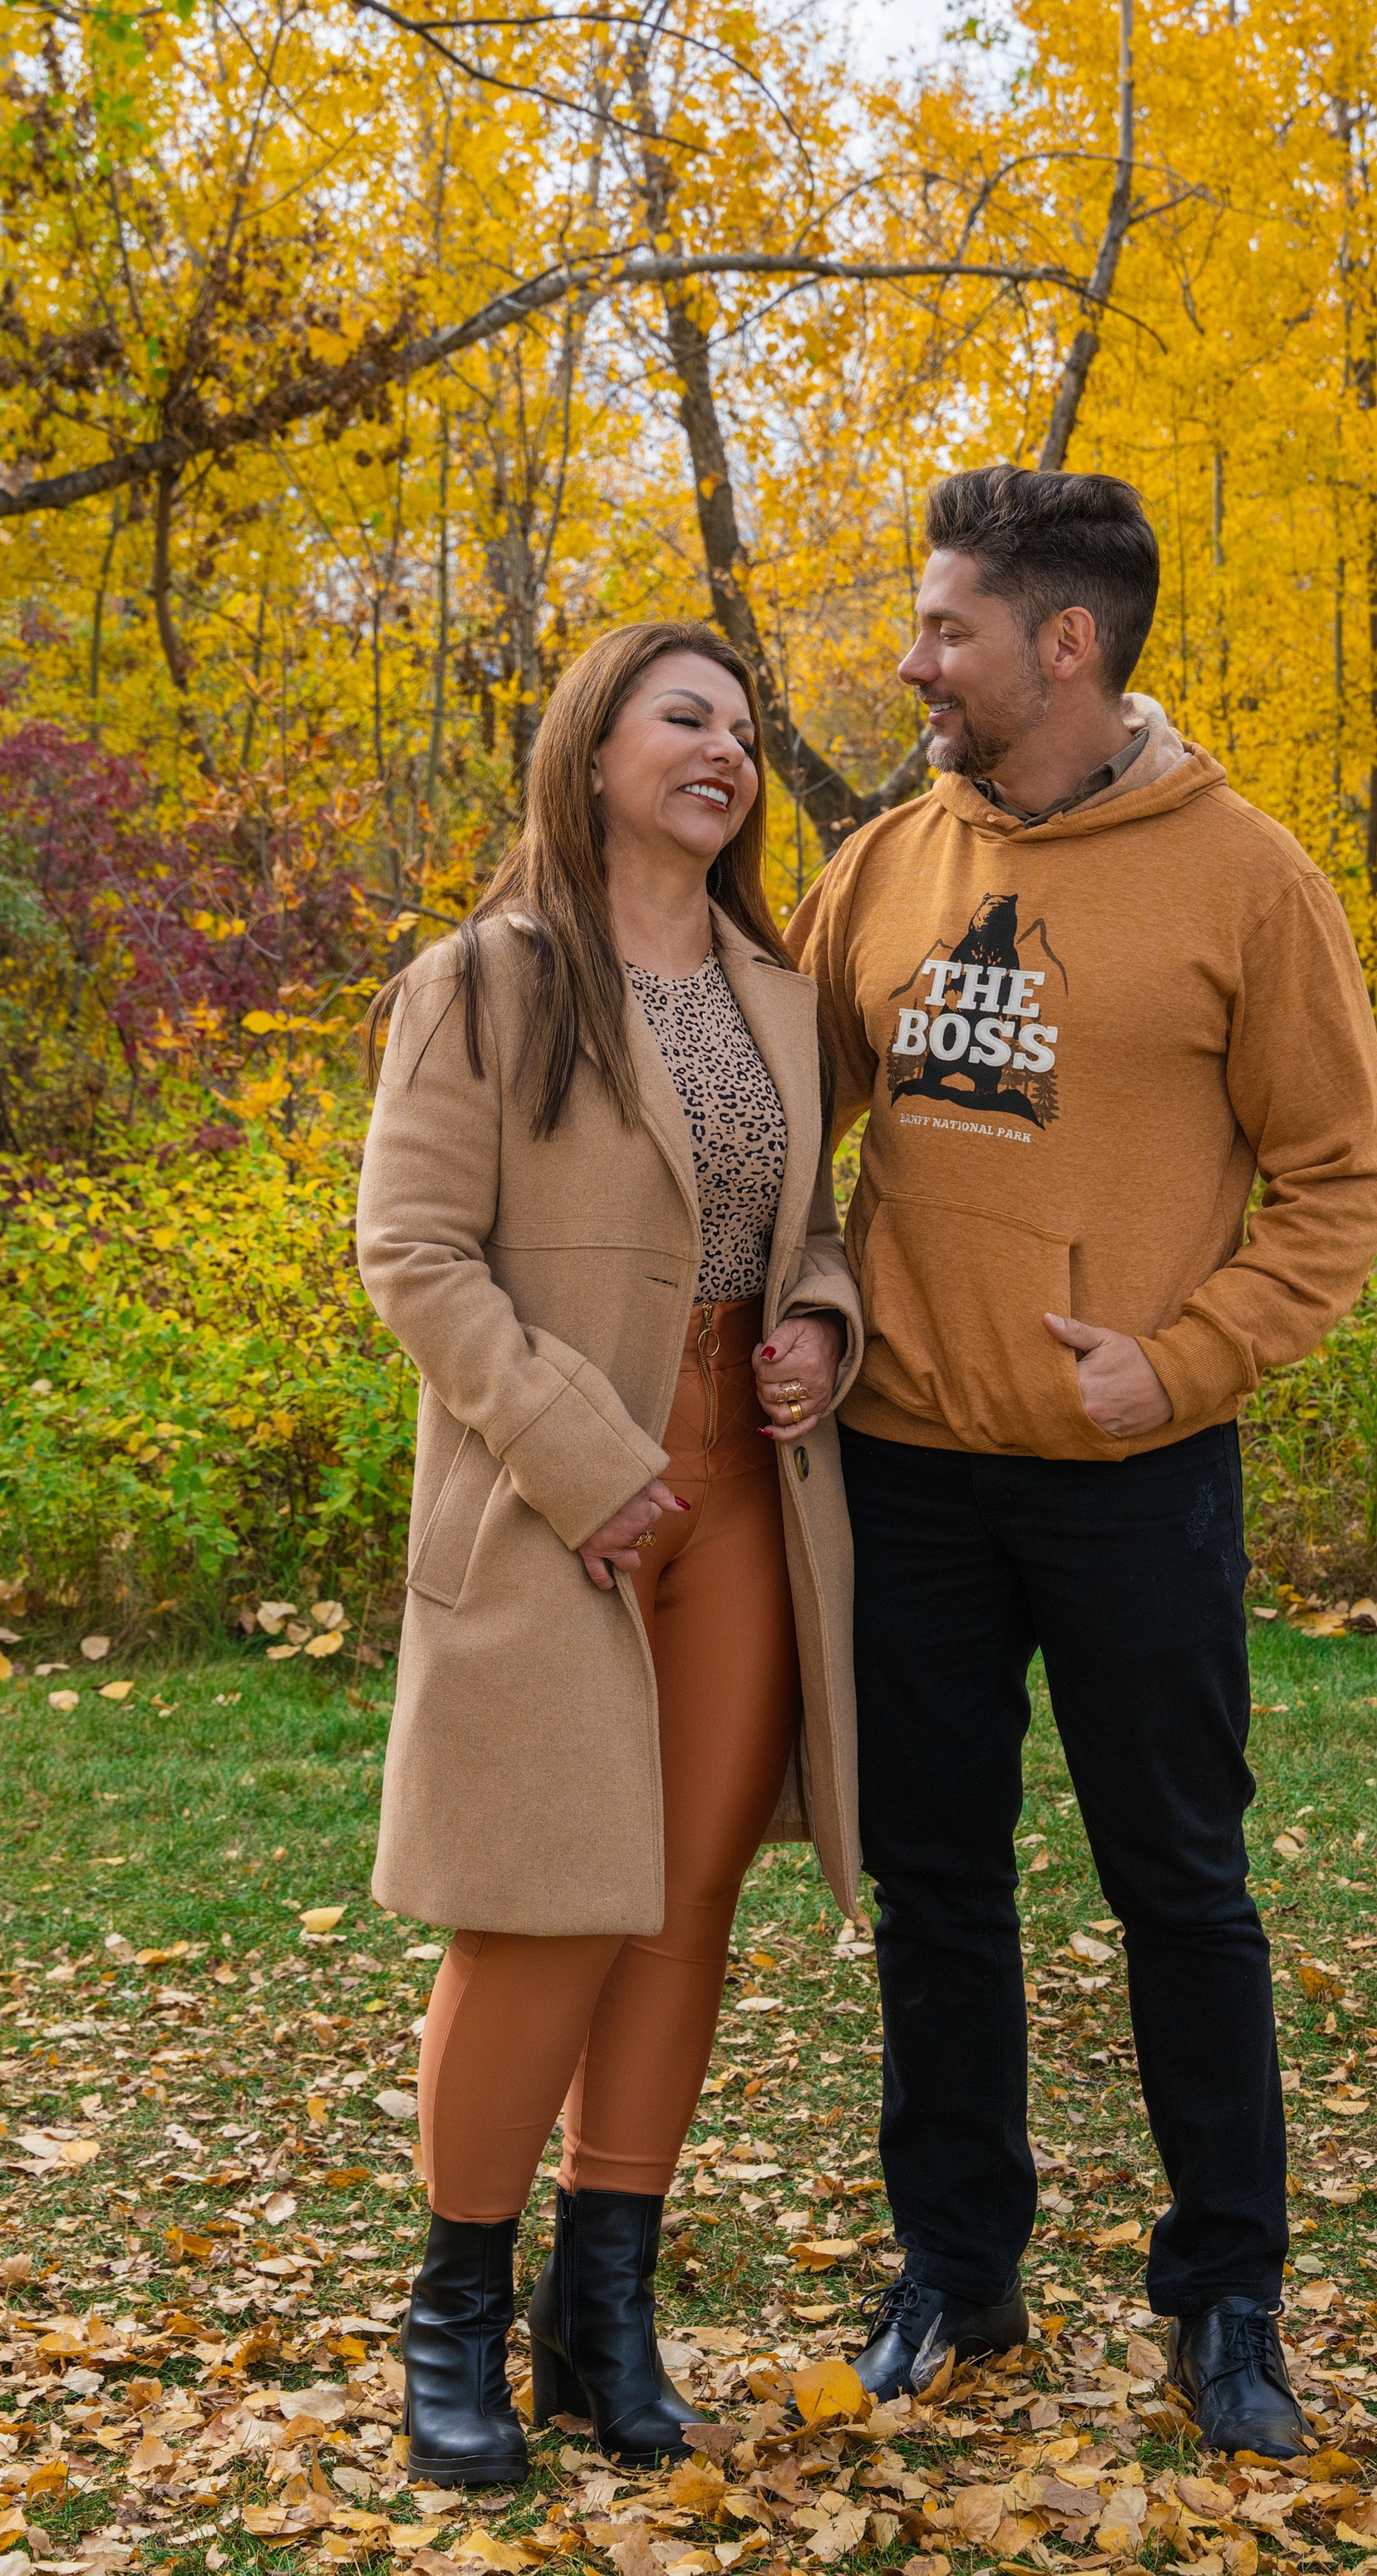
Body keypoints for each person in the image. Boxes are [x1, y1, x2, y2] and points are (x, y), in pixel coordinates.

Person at [789, 465, 1377, 2456]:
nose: (910, 660)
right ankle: (955, 2276)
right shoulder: (879, 865)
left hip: (1134, 1475)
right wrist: (806, 1311)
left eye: (944, 625)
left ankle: (1224, 2297)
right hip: (904, 1474)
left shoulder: (1247, 881)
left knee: (1180, 1888)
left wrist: (1184, 1363)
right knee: (938, 1888)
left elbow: (1334, 1186)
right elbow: (786, 1140)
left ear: (1065, 643)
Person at [357, 620, 865, 2487]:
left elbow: (812, 1228)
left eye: (740, 727)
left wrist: (816, 1318)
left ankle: (604, 2317)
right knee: (544, 1906)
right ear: (591, 751)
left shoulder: (783, 996)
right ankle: (451, 2321)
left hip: (750, 1497)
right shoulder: (485, 979)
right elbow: (411, 1255)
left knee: (683, 1905)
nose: (724, 749)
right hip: (560, 1504)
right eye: (684, 716)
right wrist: (586, 1459)